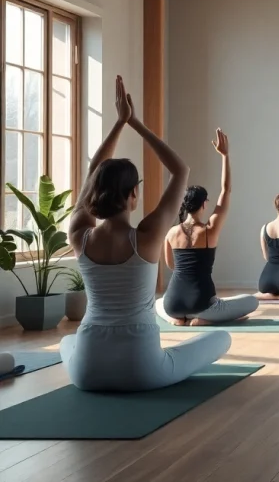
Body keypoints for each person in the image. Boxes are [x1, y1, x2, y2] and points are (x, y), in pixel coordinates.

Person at [61, 76, 230, 392]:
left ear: (93, 192)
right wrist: (134, 123)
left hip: (87, 372)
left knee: (68, 342)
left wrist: (118, 124)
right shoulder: (148, 236)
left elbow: (91, 172)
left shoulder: (79, 236)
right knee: (222, 337)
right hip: (142, 368)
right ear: (132, 196)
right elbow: (181, 170)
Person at [157, 129, 258, 326]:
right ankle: (203, 319)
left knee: (159, 302)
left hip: (173, 302)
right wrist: (225, 156)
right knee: (252, 301)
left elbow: (172, 265)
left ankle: (176, 318)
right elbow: (226, 190)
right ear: (204, 204)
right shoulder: (209, 230)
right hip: (202, 302)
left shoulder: (171, 232)